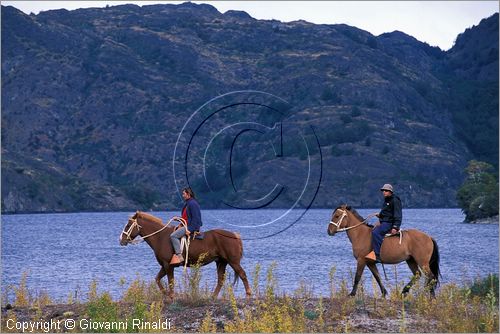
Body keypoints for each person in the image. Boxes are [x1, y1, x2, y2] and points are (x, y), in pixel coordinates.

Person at [365, 184, 402, 262]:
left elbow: (398, 214)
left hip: (389, 223)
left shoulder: (395, 200)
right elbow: (386, 213)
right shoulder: (386, 200)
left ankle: (377, 255)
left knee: (375, 232)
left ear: (390, 191)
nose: (384, 192)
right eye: (383, 191)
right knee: (372, 229)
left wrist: (395, 227)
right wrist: (380, 216)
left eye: (386, 190)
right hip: (384, 221)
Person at [170, 187, 203, 265]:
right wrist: (178, 219)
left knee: (173, 236)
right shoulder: (189, 203)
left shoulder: (192, 204)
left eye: (184, 194)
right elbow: (186, 217)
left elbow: (196, 219)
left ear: (188, 194)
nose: (183, 195)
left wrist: (190, 230)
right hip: (186, 225)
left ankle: (179, 256)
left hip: (190, 227)